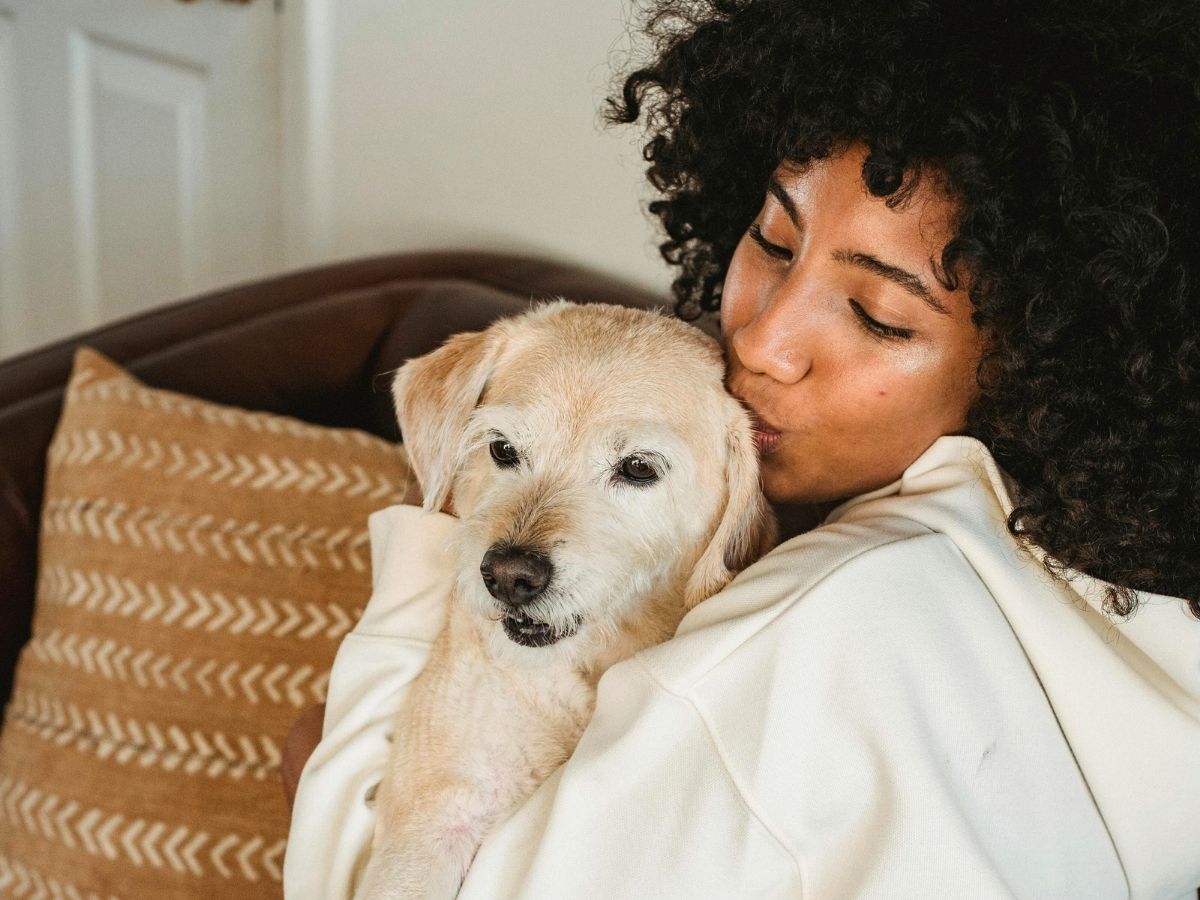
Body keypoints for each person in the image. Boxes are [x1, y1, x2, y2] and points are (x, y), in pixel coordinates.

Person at [283, 1, 1200, 896]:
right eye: (773, 240)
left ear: (1045, 357)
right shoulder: (1118, 605)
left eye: (877, 316)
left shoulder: (814, 620)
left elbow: (367, 871)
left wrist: (342, 721)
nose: (761, 343)